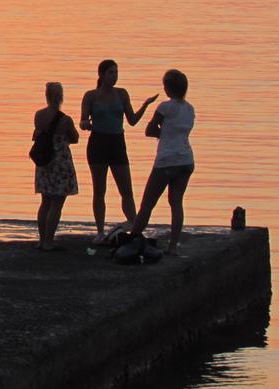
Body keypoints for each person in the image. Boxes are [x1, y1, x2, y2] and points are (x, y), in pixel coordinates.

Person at [80, 59, 158, 244]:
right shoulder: (91, 96)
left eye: (116, 72)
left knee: (127, 191)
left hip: (117, 143)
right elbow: (83, 121)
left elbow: (132, 121)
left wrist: (145, 105)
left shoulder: (122, 94)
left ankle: (135, 228)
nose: (114, 76)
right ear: (101, 75)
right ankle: (100, 231)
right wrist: (85, 124)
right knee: (99, 190)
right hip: (98, 143)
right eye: (111, 73)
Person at [131, 69, 195, 256]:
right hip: (186, 159)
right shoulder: (190, 109)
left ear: (168, 88)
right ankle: (173, 247)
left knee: (148, 203)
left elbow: (149, 130)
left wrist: (163, 134)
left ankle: (133, 239)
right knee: (176, 203)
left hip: (167, 161)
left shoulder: (165, 107)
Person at [33, 82, 79, 251]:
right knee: (56, 204)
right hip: (60, 162)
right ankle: (48, 242)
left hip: (44, 162)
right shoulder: (65, 119)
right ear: (60, 97)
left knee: (45, 202)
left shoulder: (38, 115)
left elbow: (36, 134)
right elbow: (74, 138)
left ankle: (42, 239)